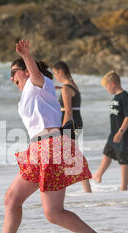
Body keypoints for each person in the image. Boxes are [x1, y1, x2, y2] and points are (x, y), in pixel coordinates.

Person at [0, 40, 115, 233]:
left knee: (48, 212)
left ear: (24, 70)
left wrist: (26, 56)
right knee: (19, 202)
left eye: (13, 73)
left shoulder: (40, 84)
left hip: (51, 147)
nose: (11, 78)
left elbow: (34, 74)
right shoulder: (27, 95)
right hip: (39, 149)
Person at [52, 60, 92, 193]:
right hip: (77, 121)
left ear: (60, 72)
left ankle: (59, 188)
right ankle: (85, 189)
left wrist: (62, 129)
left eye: (55, 74)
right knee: (73, 155)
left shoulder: (66, 88)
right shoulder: (73, 85)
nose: (55, 77)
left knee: (68, 156)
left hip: (70, 123)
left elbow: (68, 111)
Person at [93, 71, 128, 191]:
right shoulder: (115, 97)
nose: (106, 89)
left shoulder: (124, 96)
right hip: (113, 133)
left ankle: (124, 187)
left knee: (123, 159)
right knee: (107, 153)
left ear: (113, 84)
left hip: (123, 134)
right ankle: (98, 175)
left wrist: (120, 132)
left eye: (107, 86)